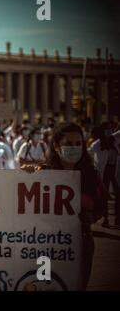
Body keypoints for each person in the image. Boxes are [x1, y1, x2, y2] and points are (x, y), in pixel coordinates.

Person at [22, 123, 108, 290]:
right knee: (45, 285)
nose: (74, 148)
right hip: (45, 245)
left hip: (81, 245)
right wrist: (25, 176)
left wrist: (91, 217)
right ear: (56, 146)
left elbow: (102, 205)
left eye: (78, 144)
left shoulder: (92, 175)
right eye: (68, 144)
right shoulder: (43, 173)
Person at [88, 121, 120, 227]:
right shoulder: (97, 144)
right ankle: (105, 218)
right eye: (106, 130)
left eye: (110, 129)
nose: (109, 132)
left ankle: (118, 219)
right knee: (105, 195)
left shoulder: (114, 140)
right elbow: (88, 153)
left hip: (115, 169)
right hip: (104, 171)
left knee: (118, 194)